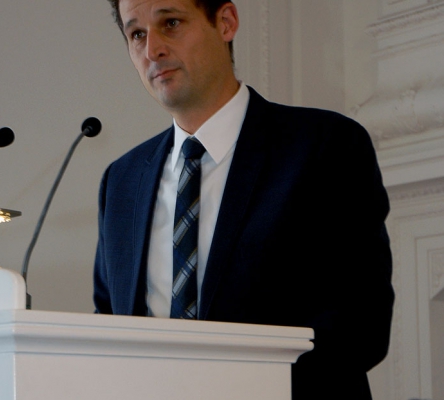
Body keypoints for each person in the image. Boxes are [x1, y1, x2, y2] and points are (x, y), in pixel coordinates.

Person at [93, 0, 395, 398]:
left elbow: (362, 325)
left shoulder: (325, 147)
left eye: (171, 23)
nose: (153, 50)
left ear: (226, 22)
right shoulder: (122, 181)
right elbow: (108, 330)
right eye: (137, 34)